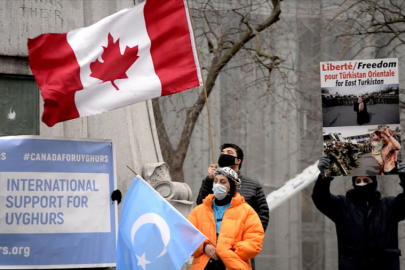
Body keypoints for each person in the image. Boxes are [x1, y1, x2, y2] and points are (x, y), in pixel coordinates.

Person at [313, 156, 405, 270]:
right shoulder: (343, 207)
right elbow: (321, 199)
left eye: (366, 180)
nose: (362, 184)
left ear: (374, 183)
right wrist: (324, 176)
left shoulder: (389, 206)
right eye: (358, 181)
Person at [196, 144, 269, 270]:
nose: (224, 155)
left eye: (229, 153)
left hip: (239, 252)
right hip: (211, 253)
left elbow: (262, 216)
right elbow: (201, 206)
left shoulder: (253, 185)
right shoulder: (212, 181)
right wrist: (209, 180)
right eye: (222, 152)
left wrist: (243, 245)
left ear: (238, 160)